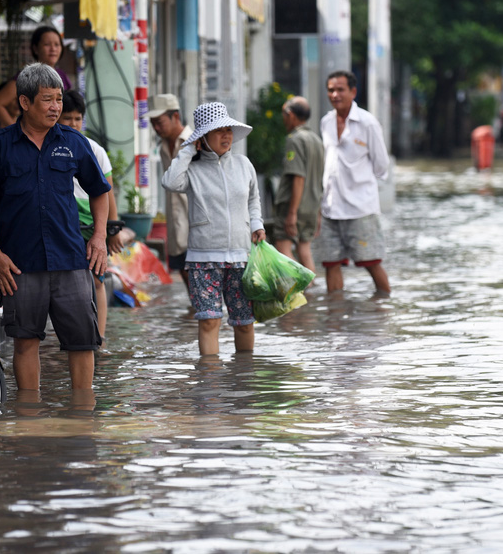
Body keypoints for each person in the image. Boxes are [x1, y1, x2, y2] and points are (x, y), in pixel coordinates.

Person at [0, 63, 111, 392]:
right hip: (19, 263)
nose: (56, 107)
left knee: (82, 343)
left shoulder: (74, 142)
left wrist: (99, 237)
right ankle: (28, 425)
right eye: (48, 99)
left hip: (71, 260)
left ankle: (82, 418)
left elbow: (100, 191)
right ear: (25, 102)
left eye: (58, 99)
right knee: (25, 342)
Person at [161, 102, 266, 356]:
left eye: (228, 129)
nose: (226, 135)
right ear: (203, 138)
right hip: (203, 259)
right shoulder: (192, 170)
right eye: (218, 131)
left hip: (242, 257)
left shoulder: (244, 165)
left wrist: (257, 224)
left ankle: (244, 380)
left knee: (244, 322)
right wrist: (187, 151)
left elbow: (253, 200)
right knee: (209, 321)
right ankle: (210, 388)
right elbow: (169, 182)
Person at [316, 70, 391, 295]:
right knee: (331, 263)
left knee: (371, 261)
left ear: (353, 92)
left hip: (360, 207)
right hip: (331, 206)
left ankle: (384, 310)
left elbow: (381, 165)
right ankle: (335, 320)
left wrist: (359, 182)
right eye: (331, 90)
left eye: (340, 89)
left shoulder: (367, 123)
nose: (335, 94)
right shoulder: (326, 122)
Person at [59, 89, 123, 346]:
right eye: (67, 118)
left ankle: (100, 336)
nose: (73, 123)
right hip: (66, 218)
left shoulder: (94, 150)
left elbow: (107, 191)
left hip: (93, 220)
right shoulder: (53, 147)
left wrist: (112, 229)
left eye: (77, 118)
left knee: (98, 278)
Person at [147, 93, 192, 290]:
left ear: (175, 117)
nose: (156, 128)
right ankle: (194, 317)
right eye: (152, 123)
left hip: (194, 222)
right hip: (174, 223)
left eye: (159, 122)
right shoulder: (164, 146)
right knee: (182, 270)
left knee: (200, 279)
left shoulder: (193, 143)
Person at [273, 96, 323, 273]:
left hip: (293, 206)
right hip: (311, 207)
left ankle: (297, 295)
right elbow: (319, 179)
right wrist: (318, 213)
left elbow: (298, 177)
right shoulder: (317, 140)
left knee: (283, 248)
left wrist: (292, 213)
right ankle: (311, 295)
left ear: (291, 115)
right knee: (304, 250)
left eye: (284, 115)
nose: (284, 119)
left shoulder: (294, 139)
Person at [0, 25, 72, 130]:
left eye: (57, 44)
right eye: (47, 44)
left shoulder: (62, 76)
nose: (53, 49)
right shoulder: (27, 76)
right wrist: (18, 133)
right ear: (35, 48)